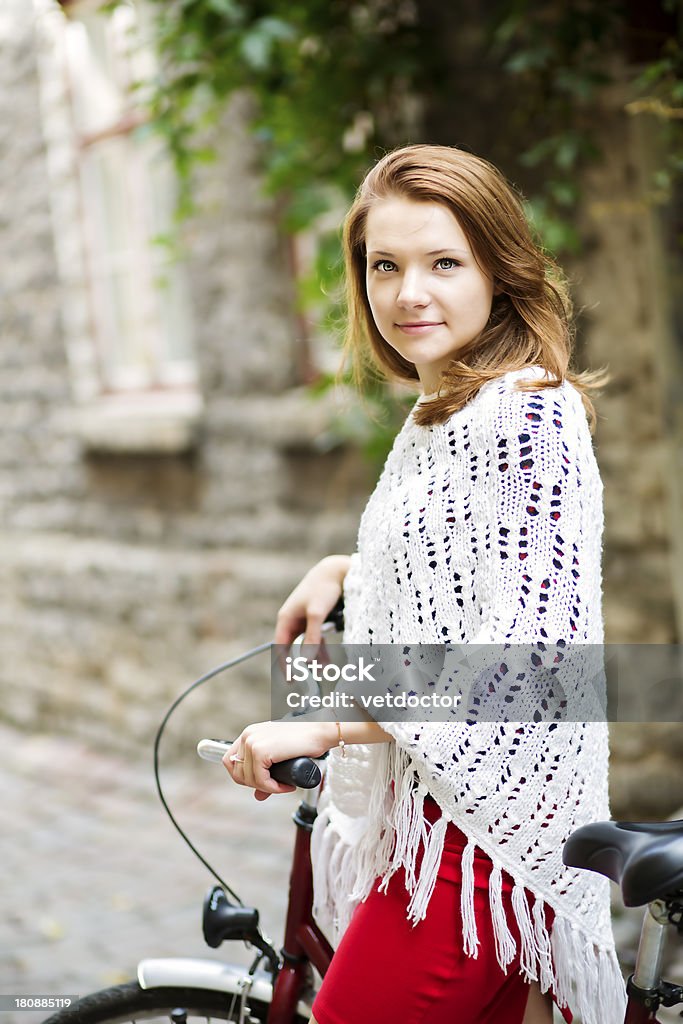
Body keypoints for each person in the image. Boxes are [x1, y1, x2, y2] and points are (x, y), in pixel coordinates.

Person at [224, 144, 626, 1024]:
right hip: (440, 814)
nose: (410, 292)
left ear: (497, 269)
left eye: (444, 262)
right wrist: (348, 570)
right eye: (385, 266)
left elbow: (516, 661)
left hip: (481, 843)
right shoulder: (445, 410)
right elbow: (468, 561)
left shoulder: (525, 411)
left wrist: (323, 722)